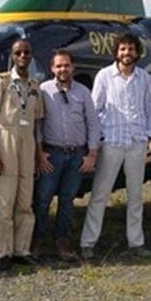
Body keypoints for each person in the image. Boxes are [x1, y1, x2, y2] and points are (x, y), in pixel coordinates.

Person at [79, 33, 151, 259]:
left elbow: (149, 109)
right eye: (123, 49)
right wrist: (97, 139)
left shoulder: (143, 77)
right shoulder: (105, 76)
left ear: (137, 52)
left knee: (136, 195)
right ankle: (88, 242)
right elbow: (95, 109)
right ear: (116, 52)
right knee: (100, 194)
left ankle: (136, 242)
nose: (127, 53)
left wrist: (148, 135)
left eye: (131, 49)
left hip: (136, 142)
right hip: (112, 142)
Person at [33, 50, 100, 261]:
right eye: (59, 66)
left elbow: (93, 123)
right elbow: (37, 124)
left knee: (67, 200)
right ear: (52, 68)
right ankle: (37, 242)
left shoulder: (83, 92)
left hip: (76, 156)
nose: (63, 69)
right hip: (51, 155)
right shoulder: (43, 90)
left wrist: (91, 154)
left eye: (67, 65)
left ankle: (62, 243)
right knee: (42, 199)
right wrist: (39, 154)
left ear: (73, 67)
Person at [0, 39, 44, 270]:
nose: (22, 57)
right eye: (18, 53)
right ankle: (4, 252)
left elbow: (37, 124)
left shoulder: (35, 86)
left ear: (31, 56)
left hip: (27, 143)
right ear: (12, 56)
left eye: (26, 53)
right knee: (5, 202)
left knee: (25, 201)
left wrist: (39, 155)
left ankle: (22, 249)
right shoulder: (2, 82)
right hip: (6, 139)